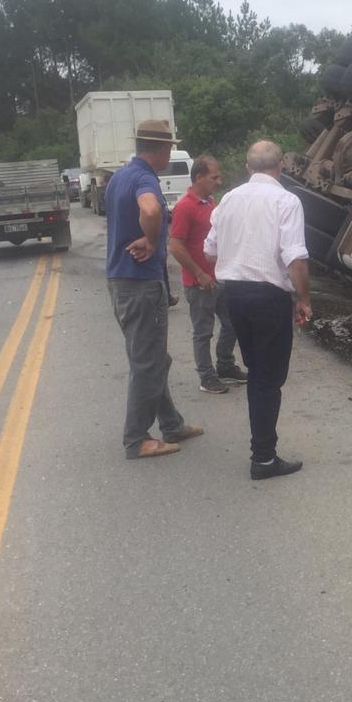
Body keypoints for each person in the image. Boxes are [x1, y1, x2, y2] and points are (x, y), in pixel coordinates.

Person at [203, 140, 312, 480]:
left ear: (248, 168)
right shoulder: (286, 201)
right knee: (268, 379)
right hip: (268, 298)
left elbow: (209, 251)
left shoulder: (228, 200)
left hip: (234, 295)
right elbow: (295, 258)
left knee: (256, 373)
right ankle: (263, 458)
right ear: (280, 166)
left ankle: (262, 450)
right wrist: (304, 299)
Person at [105, 119, 203, 459]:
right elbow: (148, 208)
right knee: (148, 363)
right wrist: (150, 237)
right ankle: (137, 438)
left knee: (151, 358)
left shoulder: (119, 176)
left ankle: (171, 423)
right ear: (161, 150)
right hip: (140, 283)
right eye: (169, 148)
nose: (169, 153)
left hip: (121, 281)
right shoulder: (145, 178)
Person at [168, 154, 248, 394]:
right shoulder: (185, 206)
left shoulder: (210, 202)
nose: (219, 180)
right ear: (199, 177)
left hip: (220, 278)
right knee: (203, 332)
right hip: (199, 283)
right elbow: (175, 245)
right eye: (214, 177)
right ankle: (206, 377)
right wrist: (199, 273)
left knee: (233, 322)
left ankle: (225, 365)